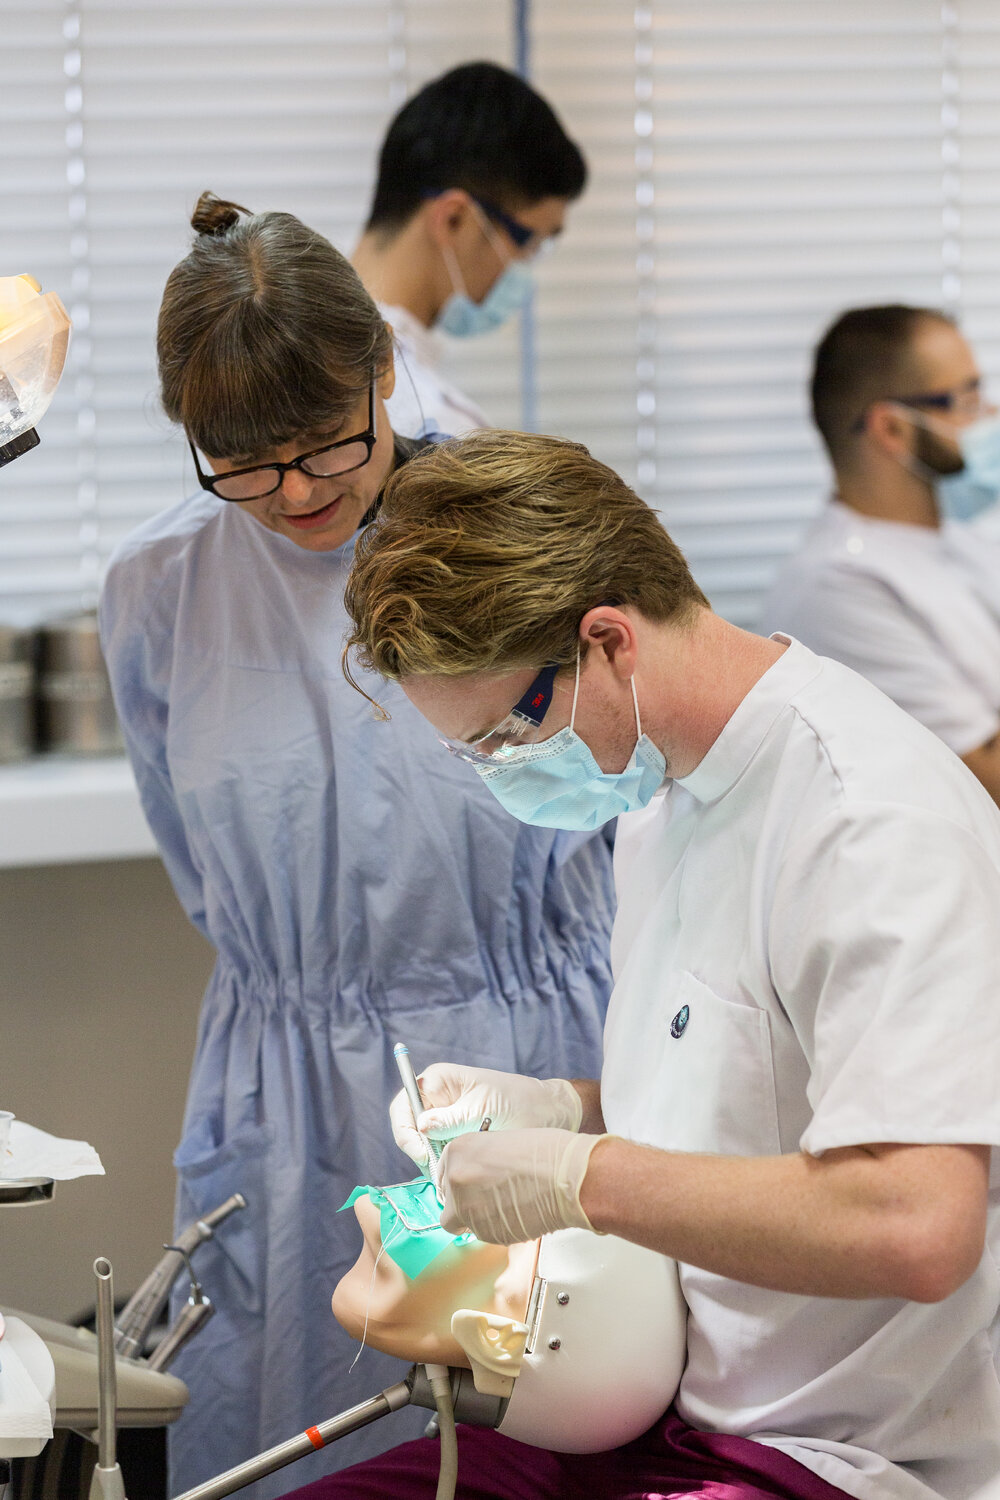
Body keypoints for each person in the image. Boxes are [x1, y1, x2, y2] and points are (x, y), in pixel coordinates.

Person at [291, 430, 1000, 1499]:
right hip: (666, 1411)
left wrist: (586, 1179)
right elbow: (751, 1099)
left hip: (837, 1456)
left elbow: (917, 1222)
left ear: (609, 642)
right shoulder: (663, 795)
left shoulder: (864, 823)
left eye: (502, 739)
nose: (502, 777)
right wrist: (560, 1112)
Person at [98, 203, 614, 1498]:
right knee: (295, 1449)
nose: (298, 492)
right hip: (285, 1087)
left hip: (527, 1052)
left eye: (326, 440)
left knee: (530, 1437)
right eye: (246, 464)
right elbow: (190, 848)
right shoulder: (158, 589)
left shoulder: (513, 517)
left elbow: (613, 785)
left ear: (383, 369)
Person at [760, 304, 1000, 806]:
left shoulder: (960, 536)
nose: (988, 415)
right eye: (966, 398)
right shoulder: (840, 585)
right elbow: (985, 777)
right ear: (892, 429)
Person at [351, 61, 586, 437]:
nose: (525, 266)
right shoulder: (437, 430)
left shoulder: (273, 357)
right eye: (528, 241)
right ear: (453, 219)